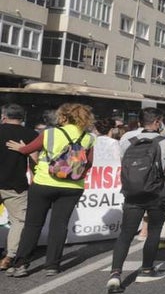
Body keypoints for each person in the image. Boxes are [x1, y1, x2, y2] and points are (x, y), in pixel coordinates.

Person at [6, 103, 94, 277]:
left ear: (63, 117)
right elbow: (89, 163)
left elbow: (28, 150)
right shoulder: (88, 137)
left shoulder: (50, 133)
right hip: (73, 186)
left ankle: (21, 264)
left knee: (33, 225)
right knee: (59, 226)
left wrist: (20, 148)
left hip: (44, 183)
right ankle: (52, 265)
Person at [107, 107, 165, 293]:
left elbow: (123, 161)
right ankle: (147, 269)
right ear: (157, 122)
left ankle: (115, 273)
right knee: (153, 231)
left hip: (132, 191)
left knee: (126, 233)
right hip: (156, 192)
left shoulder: (127, 138)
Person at [0, 104, 37, 271]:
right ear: (22, 118)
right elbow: (35, 160)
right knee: (18, 220)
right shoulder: (30, 134)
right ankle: (9, 256)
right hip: (15, 184)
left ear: (3, 116)